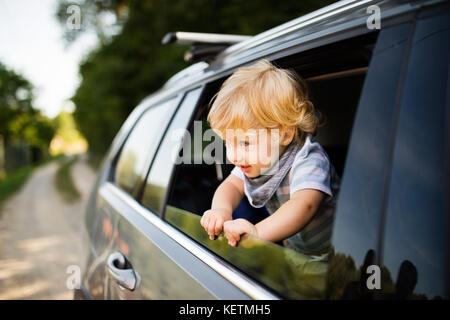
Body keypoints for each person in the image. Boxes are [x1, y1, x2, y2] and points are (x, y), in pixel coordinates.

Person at [200, 59, 340, 260]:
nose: (234, 155)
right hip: (297, 252)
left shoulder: (308, 159)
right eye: (227, 143)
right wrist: (221, 210)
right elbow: (231, 185)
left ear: (284, 134)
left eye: (245, 143)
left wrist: (257, 233)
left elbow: (304, 205)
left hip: (336, 254)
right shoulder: (254, 160)